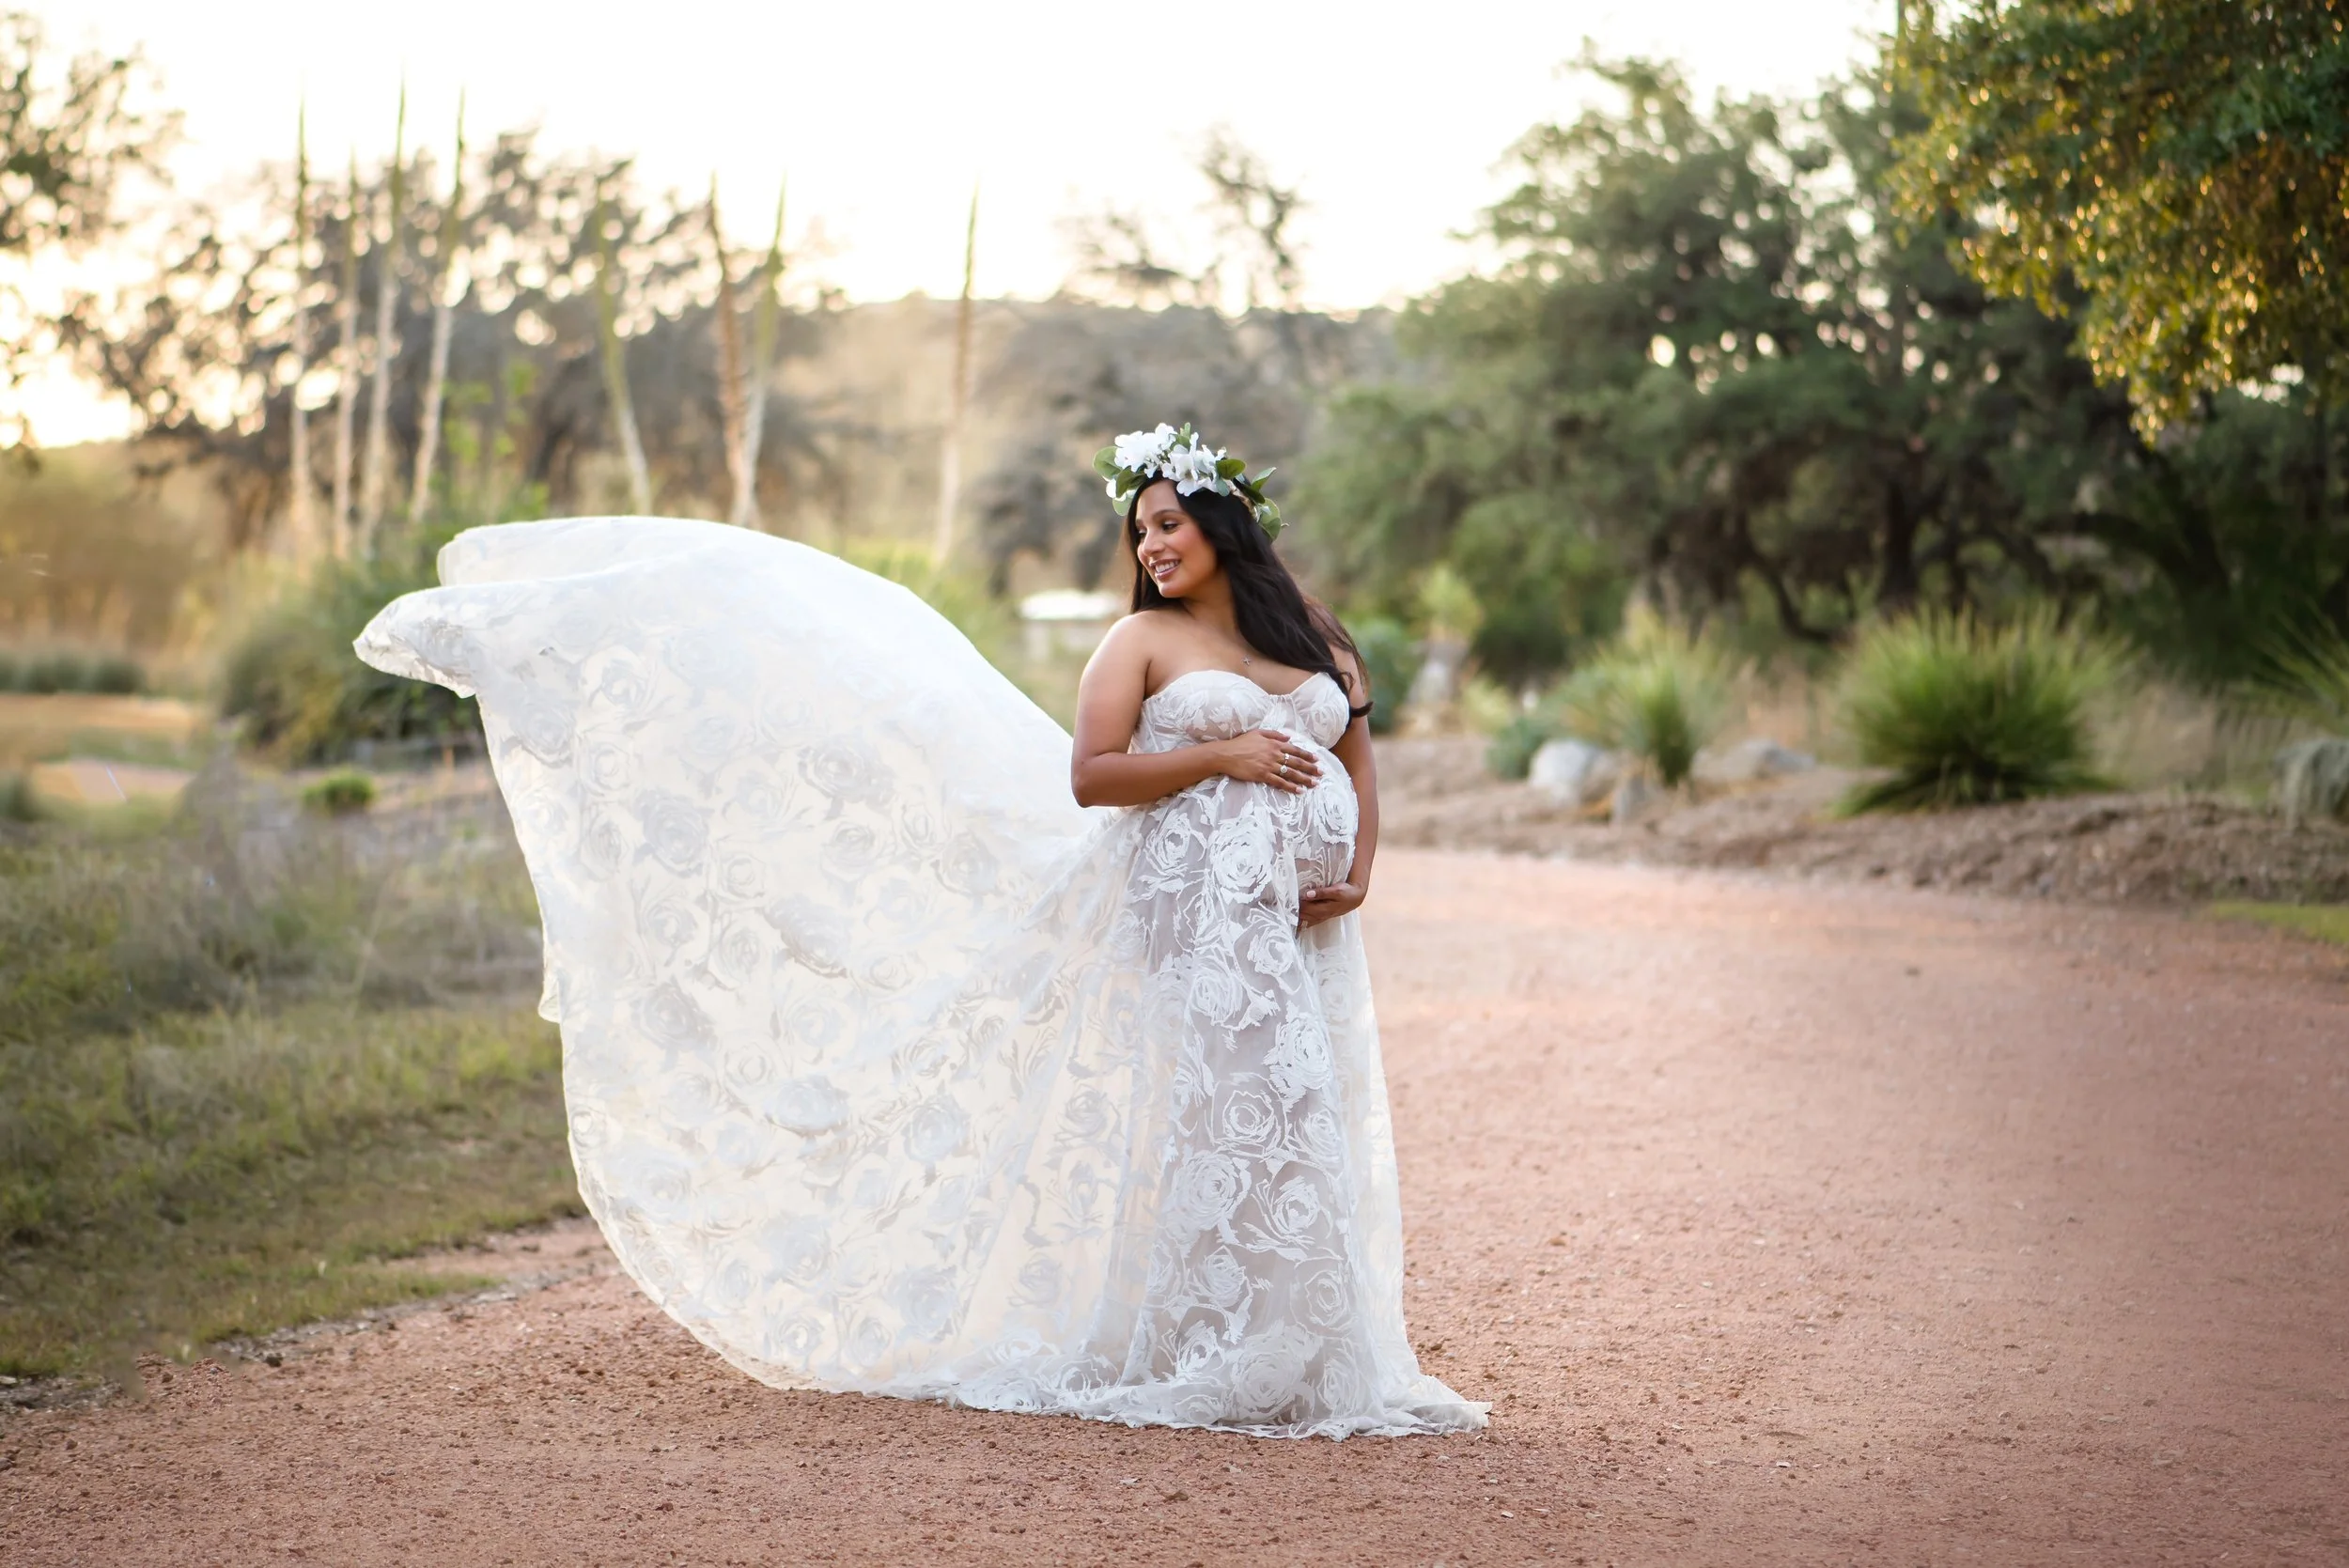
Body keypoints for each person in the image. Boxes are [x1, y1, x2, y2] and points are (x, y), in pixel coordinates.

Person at [355, 424, 1484, 1439]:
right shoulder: (1134, 647)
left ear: (1223, 524)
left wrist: (1362, 867)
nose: (1148, 546)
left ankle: (1307, 1345)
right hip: (1185, 923)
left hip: (1296, 933)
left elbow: (1356, 748)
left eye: (1167, 523)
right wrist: (1221, 755)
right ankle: (1211, 1347)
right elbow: (1093, 777)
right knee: (1216, 1116)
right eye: (1137, 530)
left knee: (1302, 1110)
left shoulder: (1315, 634)